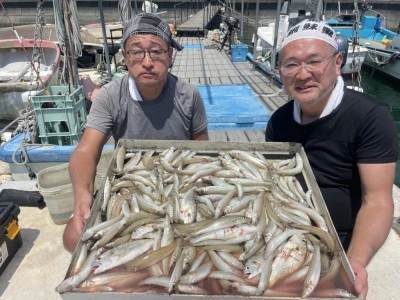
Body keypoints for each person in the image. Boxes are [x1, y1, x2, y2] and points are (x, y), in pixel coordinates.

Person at [265, 19, 398, 299]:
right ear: (280, 70)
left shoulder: (370, 117)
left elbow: (378, 200)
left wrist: (356, 262)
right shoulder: (278, 122)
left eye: (314, 61)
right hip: (287, 239)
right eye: (291, 64)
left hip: (342, 244)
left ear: (338, 62)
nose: (302, 74)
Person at [63, 13, 209, 253]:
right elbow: (86, 151)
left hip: (177, 180)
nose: (147, 61)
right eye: (137, 52)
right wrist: (81, 196)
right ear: (125, 56)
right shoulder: (111, 96)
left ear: (170, 56)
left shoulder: (188, 95)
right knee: (72, 237)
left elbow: (202, 150)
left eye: (156, 51)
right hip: (129, 183)